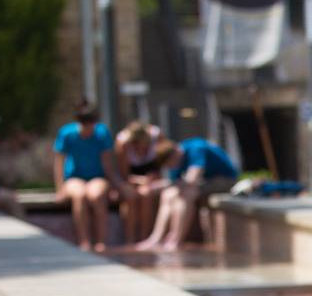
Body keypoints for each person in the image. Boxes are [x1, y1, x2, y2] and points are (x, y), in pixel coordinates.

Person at [52, 100, 133, 251]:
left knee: (96, 195)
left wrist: (115, 185)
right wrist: (60, 188)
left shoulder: (102, 133)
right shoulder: (66, 133)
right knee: (80, 195)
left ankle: (102, 241)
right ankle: (84, 241)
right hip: (74, 178)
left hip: (97, 176)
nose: (88, 128)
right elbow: (59, 163)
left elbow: (107, 164)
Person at [133, 137, 238, 252]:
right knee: (168, 194)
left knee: (187, 194)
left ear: (175, 154)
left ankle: (176, 240)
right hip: (204, 182)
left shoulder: (196, 148)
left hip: (225, 180)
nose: (171, 168)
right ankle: (156, 238)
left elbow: (192, 179)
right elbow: (175, 183)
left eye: (170, 164)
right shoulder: (176, 160)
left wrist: (158, 186)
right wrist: (155, 186)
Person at [115, 120, 168, 245]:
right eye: (135, 144)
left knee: (146, 194)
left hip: (152, 177)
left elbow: (161, 166)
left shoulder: (157, 136)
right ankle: (130, 239)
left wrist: (152, 179)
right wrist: (139, 180)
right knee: (131, 197)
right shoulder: (122, 142)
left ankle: (145, 238)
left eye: (141, 144)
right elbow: (124, 174)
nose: (139, 147)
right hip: (133, 177)